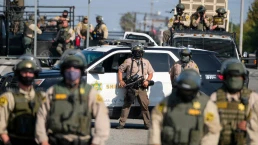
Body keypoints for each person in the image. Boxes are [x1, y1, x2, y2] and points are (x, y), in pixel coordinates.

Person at [35, 50, 110, 145]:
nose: (72, 70)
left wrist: (97, 142)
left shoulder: (90, 93)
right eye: (68, 68)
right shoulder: (53, 91)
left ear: (81, 70)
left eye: (75, 68)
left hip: (82, 141)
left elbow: (102, 118)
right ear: (63, 70)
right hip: (56, 140)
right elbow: (41, 117)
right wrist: (43, 140)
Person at [148, 69, 221, 145]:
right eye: (184, 90)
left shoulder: (206, 104)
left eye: (190, 91)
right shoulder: (167, 102)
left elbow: (213, 130)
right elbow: (155, 123)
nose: (187, 94)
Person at [209, 58, 258, 145]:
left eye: (237, 76)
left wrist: (248, 125)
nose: (234, 79)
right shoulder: (216, 97)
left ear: (243, 78)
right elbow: (209, 129)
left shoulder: (252, 98)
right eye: (231, 76)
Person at [0, 55, 45, 145]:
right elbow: (1, 126)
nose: (27, 75)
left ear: (35, 74)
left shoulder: (42, 97)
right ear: (18, 74)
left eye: (30, 72)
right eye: (24, 72)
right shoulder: (8, 98)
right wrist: (7, 142)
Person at [116, 43, 154, 129]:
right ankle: (121, 124)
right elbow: (120, 70)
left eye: (139, 52)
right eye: (136, 52)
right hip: (131, 87)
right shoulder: (128, 61)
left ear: (142, 53)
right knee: (127, 105)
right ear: (133, 52)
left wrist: (147, 81)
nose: (137, 53)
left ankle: (147, 124)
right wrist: (121, 80)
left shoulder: (146, 62)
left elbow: (151, 73)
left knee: (145, 106)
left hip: (142, 87)